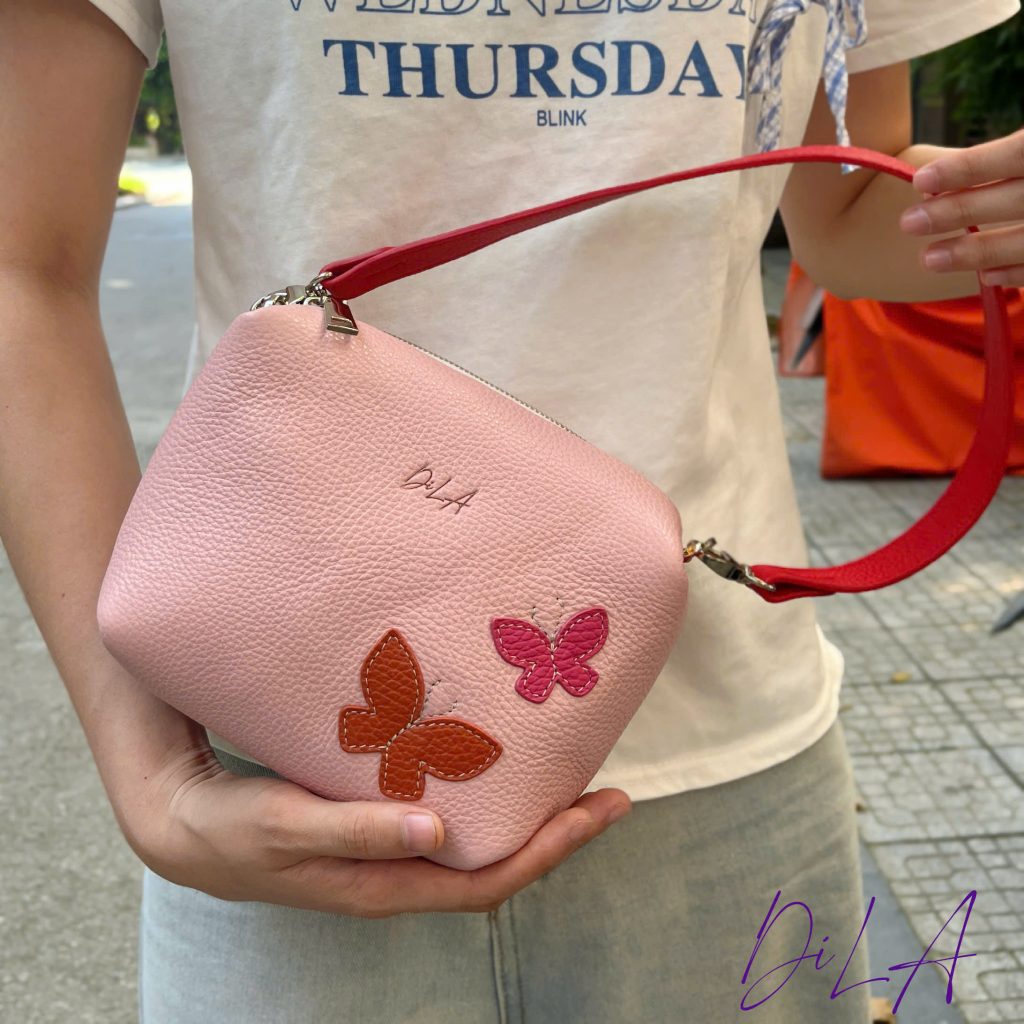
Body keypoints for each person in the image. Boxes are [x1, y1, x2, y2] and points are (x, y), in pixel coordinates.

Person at [2, 0, 1022, 1020]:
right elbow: (20, 269)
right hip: (266, 762)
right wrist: (152, 776)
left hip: (732, 737)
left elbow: (846, 217)